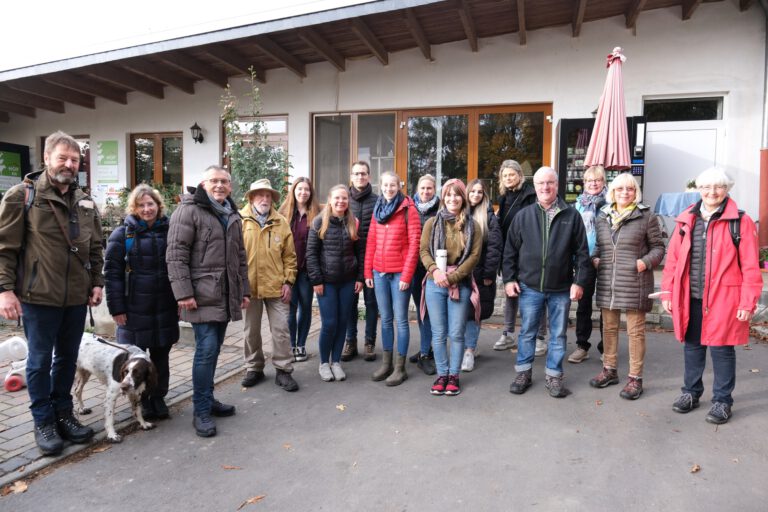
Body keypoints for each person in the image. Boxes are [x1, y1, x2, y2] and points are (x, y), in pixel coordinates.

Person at [0, 131, 103, 456]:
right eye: (63, 158)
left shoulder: (85, 200)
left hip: (75, 298)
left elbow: (95, 247)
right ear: (47, 159)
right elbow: (5, 249)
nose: (69, 165)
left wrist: (97, 283)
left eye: (74, 160)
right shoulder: (22, 196)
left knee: (68, 359)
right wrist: (4, 291)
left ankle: (64, 414)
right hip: (37, 297)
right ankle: (43, 421)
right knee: (40, 360)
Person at [661, 168, 762, 424]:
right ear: (699, 189)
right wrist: (668, 292)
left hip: (724, 298)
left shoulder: (740, 221)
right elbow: (672, 261)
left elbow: (750, 266)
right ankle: (691, 392)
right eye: (706, 187)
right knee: (693, 346)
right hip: (691, 295)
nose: (712, 192)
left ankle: (722, 401)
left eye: (718, 187)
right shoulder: (686, 220)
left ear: (727, 189)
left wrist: (747, 302)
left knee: (721, 349)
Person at [167, 166, 250, 437]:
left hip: (225, 296)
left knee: (213, 351)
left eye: (224, 181)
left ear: (231, 186)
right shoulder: (188, 210)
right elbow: (176, 254)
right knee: (205, 351)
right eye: (214, 181)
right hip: (200, 296)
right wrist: (183, 293)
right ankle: (201, 410)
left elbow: (239, 257)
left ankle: (209, 400)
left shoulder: (232, 214)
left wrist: (244, 290)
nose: (220, 186)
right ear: (203, 184)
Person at [503, 167, 591, 398]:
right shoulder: (524, 215)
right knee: (527, 333)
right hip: (530, 286)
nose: (545, 187)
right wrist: (509, 279)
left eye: (549, 183)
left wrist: (579, 282)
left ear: (557, 185)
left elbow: (582, 254)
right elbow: (510, 250)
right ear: (536, 186)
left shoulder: (571, 216)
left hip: (561, 288)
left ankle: (553, 375)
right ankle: (523, 373)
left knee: (559, 334)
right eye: (541, 183)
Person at [104, 184, 179, 420]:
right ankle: (141, 401)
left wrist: (180, 299)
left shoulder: (171, 232)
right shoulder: (122, 235)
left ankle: (158, 397)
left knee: (161, 358)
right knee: (133, 360)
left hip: (164, 307)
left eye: (151, 204)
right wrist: (116, 308)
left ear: (159, 205)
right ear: (134, 208)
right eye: (141, 205)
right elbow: (113, 274)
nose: (147, 209)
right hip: (134, 310)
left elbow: (179, 267)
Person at [589, 173, 665, 399]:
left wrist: (644, 262)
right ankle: (609, 370)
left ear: (636, 192)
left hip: (635, 281)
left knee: (635, 332)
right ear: (612, 191)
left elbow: (659, 248)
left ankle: (635, 378)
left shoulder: (646, 217)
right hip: (608, 282)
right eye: (620, 189)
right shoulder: (602, 216)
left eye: (630, 189)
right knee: (609, 329)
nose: (625, 193)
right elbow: (598, 246)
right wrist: (595, 259)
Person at [420, 179, 482, 396]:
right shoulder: (431, 223)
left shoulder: (472, 226)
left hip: (460, 283)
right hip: (435, 283)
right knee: (438, 333)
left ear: (463, 198)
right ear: (443, 197)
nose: (452, 199)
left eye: (457, 195)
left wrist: (454, 277)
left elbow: (474, 257)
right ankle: (442, 374)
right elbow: (424, 251)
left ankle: (454, 375)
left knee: (456, 333)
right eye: (448, 195)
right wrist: (436, 272)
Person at [239, 179, 299, 392]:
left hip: (276, 287)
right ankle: (254, 367)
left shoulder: (281, 222)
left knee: (281, 329)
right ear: (252, 198)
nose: (264, 199)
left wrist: (288, 281)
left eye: (268, 196)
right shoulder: (239, 221)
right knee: (250, 331)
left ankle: (283, 370)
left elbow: (290, 256)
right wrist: (238, 286)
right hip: (249, 288)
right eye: (260, 195)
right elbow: (232, 257)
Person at [365, 172, 421, 386]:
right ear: (381, 186)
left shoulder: (409, 210)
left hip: (399, 275)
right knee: (386, 319)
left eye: (393, 185)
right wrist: (368, 272)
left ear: (399, 186)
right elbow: (371, 241)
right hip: (379, 273)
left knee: (401, 320)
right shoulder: (377, 209)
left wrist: (407, 275)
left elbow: (414, 246)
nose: (389, 188)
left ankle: (400, 367)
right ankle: (386, 363)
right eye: (386, 185)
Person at [307, 185, 364, 382]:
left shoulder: (353, 222)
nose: (341, 202)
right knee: (329, 323)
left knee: (342, 322)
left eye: (344, 198)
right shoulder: (318, 222)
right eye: (337, 198)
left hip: (348, 281)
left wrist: (359, 278)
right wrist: (316, 280)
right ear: (330, 200)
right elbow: (311, 254)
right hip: (327, 283)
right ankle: (324, 363)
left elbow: (360, 253)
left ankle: (336, 361)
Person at [493, 160, 536, 352]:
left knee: (532, 294)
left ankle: (537, 336)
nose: (508, 178)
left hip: (527, 252)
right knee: (511, 293)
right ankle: (508, 334)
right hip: (508, 253)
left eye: (512, 174)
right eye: (505, 175)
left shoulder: (530, 195)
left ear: (520, 175)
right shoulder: (503, 198)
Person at [567, 165, 607, 364]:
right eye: (590, 180)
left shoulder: (610, 203)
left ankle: (606, 348)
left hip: (605, 260)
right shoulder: (578, 205)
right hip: (584, 259)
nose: (593, 183)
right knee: (584, 304)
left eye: (597, 180)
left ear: (603, 182)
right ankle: (582, 346)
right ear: (584, 183)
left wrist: (600, 254)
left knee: (606, 305)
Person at [462, 179, 502, 372]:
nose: (476, 195)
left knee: (473, 315)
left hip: (480, 274)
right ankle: (465, 348)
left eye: (480, 192)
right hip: (460, 274)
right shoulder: (459, 212)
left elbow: (495, 247)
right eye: (473, 191)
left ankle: (469, 351)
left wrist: (488, 273)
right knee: (459, 313)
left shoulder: (489, 216)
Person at [278, 177, 320, 363]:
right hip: (287, 271)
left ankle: (301, 345)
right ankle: (290, 345)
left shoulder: (317, 214)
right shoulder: (282, 214)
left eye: (307, 190)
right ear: (293, 191)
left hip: (307, 270)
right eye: (300, 189)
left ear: (311, 193)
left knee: (305, 308)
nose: (303, 192)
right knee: (290, 308)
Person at [343, 161, 379, 362]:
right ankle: (350, 341)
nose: (360, 177)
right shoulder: (343, 200)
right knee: (351, 303)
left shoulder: (378, 200)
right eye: (356, 173)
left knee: (372, 303)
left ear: (369, 177)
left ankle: (370, 342)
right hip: (349, 259)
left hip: (373, 260)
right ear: (351, 176)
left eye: (363, 174)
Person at [408, 174, 439, 375]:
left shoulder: (441, 210)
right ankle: (425, 348)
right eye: (423, 188)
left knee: (428, 311)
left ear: (435, 190)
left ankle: (427, 354)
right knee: (420, 312)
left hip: (432, 267)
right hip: (413, 267)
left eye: (429, 188)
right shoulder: (409, 208)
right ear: (417, 189)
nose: (426, 192)